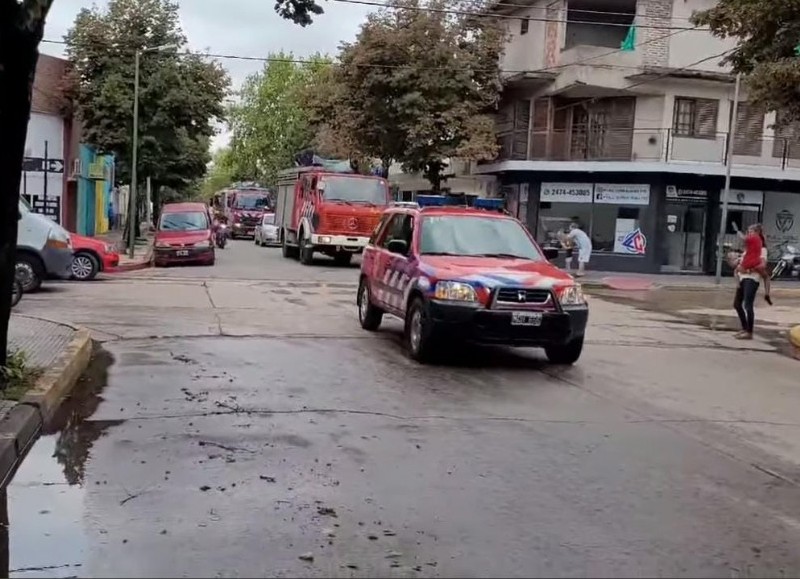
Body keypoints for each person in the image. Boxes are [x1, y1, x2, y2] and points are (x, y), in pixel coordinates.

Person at [733, 223, 772, 305]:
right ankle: (766, 294)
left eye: (750, 232)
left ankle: (767, 293)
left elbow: (762, 264)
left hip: (754, 269)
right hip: (746, 270)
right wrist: (739, 260)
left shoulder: (761, 247)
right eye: (748, 232)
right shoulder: (752, 244)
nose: (749, 233)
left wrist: (749, 269)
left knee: (766, 277)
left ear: (757, 232)